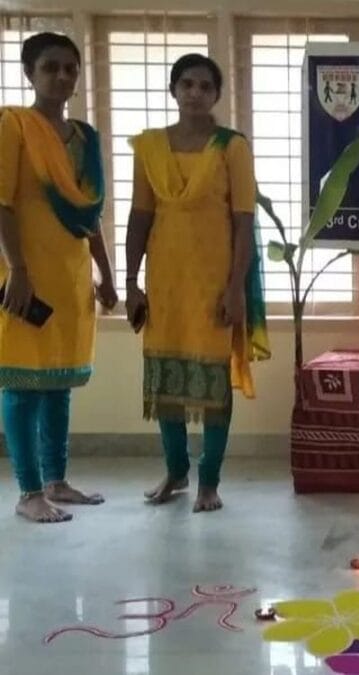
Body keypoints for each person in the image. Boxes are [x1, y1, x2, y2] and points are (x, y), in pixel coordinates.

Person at [124, 53, 270, 513]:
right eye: (186, 84)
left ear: (216, 95)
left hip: (214, 281)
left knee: (212, 389)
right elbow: (139, 216)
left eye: (205, 86)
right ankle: (176, 472)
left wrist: (234, 288)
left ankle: (209, 481)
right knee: (165, 383)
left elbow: (243, 222)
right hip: (165, 282)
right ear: (174, 90)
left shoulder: (232, 147)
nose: (195, 93)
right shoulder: (149, 147)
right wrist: (131, 282)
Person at [0, 32, 117, 523]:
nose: (62, 76)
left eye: (70, 68)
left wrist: (107, 275)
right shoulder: (13, 126)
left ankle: (57, 480)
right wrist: (18, 271)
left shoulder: (85, 138)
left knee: (58, 384)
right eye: (51, 67)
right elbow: (2, 202)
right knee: (22, 383)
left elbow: (90, 215)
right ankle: (29, 493)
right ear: (30, 73)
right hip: (23, 274)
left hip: (72, 277)